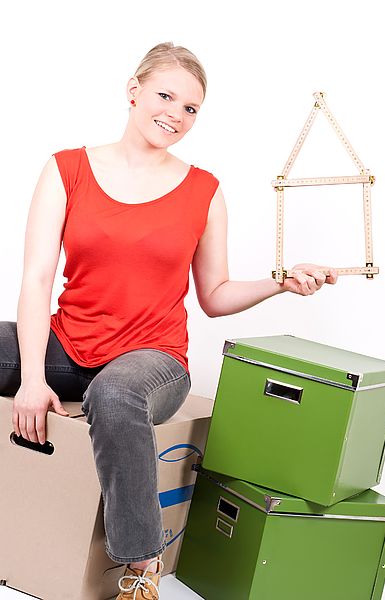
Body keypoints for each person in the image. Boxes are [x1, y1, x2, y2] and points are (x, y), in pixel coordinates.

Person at [0, 42, 338, 599]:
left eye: (191, 108)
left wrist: (280, 282)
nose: (175, 115)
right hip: (68, 343)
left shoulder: (203, 190)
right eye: (165, 96)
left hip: (151, 359)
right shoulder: (66, 170)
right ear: (132, 92)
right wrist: (33, 381)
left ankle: (139, 569)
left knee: (114, 398)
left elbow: (215, 294)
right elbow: (36, 279)